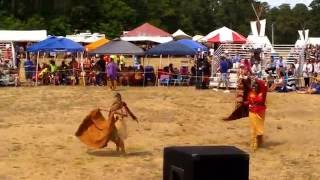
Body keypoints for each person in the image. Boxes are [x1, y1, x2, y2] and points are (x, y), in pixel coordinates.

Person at [246, 79, 267, 152]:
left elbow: (263, 86)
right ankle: (255, 144)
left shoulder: (262, 93)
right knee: (254, 128)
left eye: (255, 88)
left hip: (259, 112)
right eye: (253, 87)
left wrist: (256, 79)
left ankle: (256, 144)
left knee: (257, 129)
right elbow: (249, 100)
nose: (254, 89)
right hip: (253, 112)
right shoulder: (251, 93)